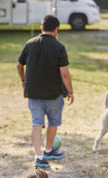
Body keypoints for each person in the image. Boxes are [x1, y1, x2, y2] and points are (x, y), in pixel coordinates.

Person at [17, 15, 74, 168]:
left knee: (37, 123)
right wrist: (70, 91)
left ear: (42, 28)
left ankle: (39, 156)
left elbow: (19, 65)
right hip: (53, 93)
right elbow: (64, 73)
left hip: (33, 93)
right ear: (56, 29)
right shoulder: (59, 47)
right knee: (53, 122)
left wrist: (23, 81)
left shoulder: (29, 44)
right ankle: (48, 149)